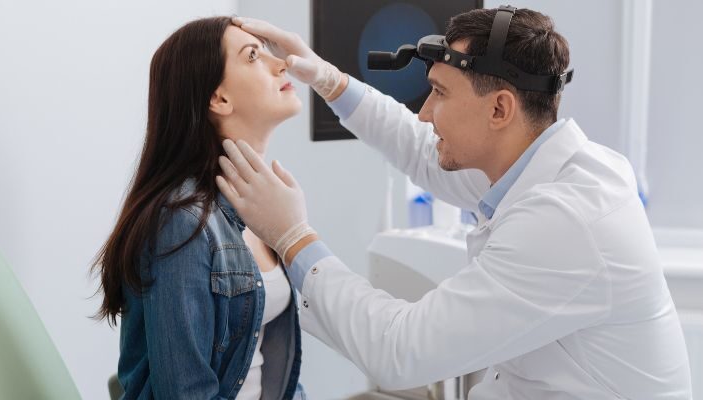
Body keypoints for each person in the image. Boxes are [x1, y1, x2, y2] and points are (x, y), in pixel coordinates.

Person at [215, 7, 693, 400]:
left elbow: (400, 351)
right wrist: (330, 80)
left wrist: (294, 238)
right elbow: (422, 150)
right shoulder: (537, 166)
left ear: (499, 109)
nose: (423, 112)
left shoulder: (567, 219)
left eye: (439, 93)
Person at [92, 16, 306, 399]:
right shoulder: (181, 222)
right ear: (218, 98)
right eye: (254, 55)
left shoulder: (262, 210)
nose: (282, 63)